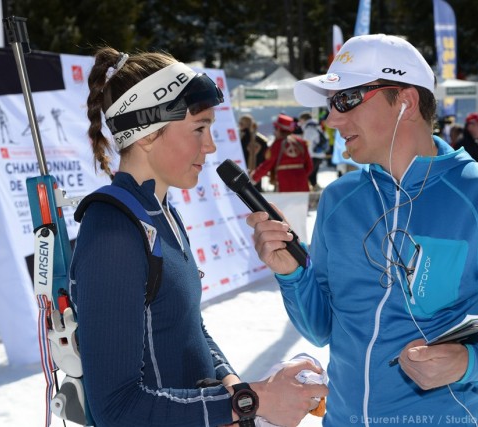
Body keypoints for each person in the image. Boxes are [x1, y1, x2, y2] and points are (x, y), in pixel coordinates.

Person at [246, 34, 478, 426]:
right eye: (331, 104)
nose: (332, 119)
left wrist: (470, 362)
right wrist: (291, 272)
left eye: (346, 100)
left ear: (406, 102)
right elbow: (321, 327)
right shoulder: (339, 198)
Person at [74, 47, 327, 427]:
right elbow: (117, 409)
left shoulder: (160, 211)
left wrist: (241, 390)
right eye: (198, 128)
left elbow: (188, 329)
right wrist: (251, 401)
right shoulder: (113, 230)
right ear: (146, 134)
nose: (210, 146)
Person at [251, 114, 312, 192]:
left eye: (275, 128)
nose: (274, 132)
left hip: (285, 182)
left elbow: (267, 165)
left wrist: (254, 178)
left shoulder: (277, 144)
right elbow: (309, 166)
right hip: (302, 182)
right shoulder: (301, 142)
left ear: (279, 129)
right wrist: (300, 175)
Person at [298, 111, 327, 191]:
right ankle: (314, 191)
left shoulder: (309, 129)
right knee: (313, 175)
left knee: (308, 174)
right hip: (319, 154)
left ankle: (309, 191)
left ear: (304, 119)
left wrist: (305, 157)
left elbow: (307, 144)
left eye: (300, 121)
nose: (299, 123)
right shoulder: (316, 126)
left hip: (313, 155)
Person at [238, 114, 268, 191]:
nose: (239, 125)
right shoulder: (262, 140)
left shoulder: (240, 139)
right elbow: (266, 158)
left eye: (240, 123)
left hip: (242, 171)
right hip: (257, 172)